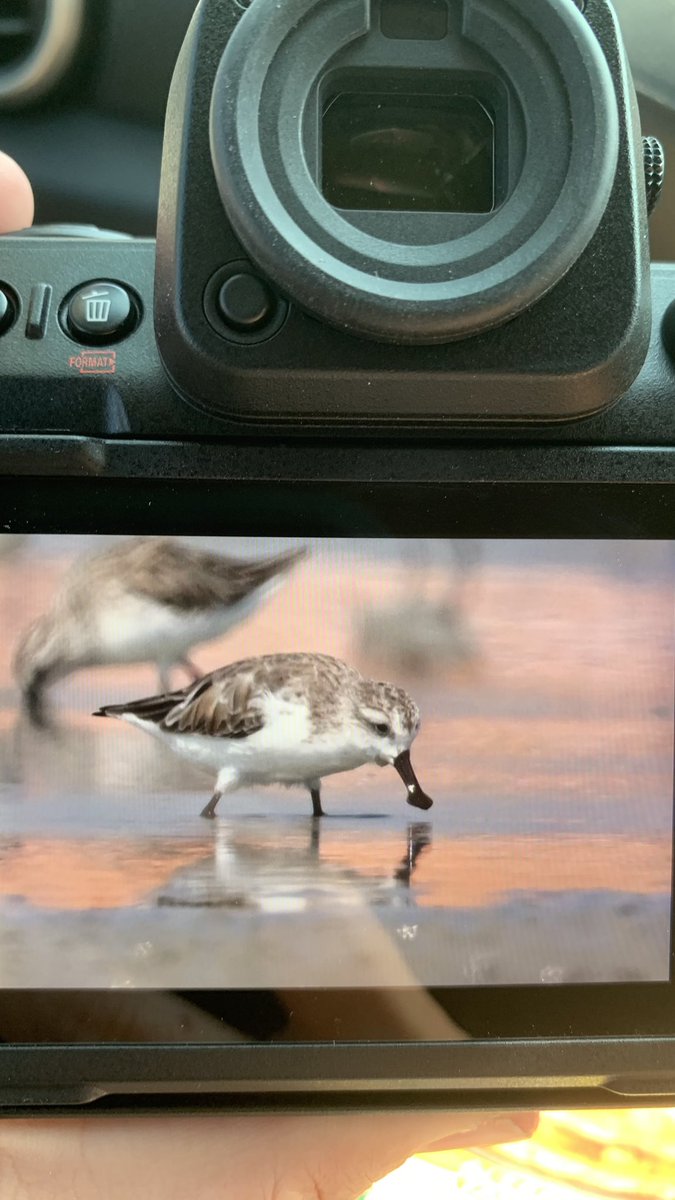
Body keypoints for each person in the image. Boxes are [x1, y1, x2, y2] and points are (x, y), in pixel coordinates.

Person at [0, 148, 537, 1198]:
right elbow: (198, 702)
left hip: (217, 647)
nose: (406, 766)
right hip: (203, 711)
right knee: (217, 830)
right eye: (396, 748)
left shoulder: (326, 703)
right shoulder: (241, 681)